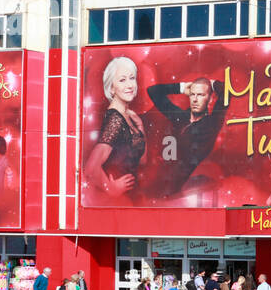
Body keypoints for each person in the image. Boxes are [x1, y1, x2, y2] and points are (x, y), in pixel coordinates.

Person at [146, 76, 230, 196]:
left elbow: (226, 92)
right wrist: (181, 88)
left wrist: (210, 83)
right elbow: (153, 91)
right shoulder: (180, 116)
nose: (195, 99)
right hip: (153, 182)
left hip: (172, 192)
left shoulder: (211, 125)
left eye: (201, 95)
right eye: (192, 94)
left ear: (210, 99)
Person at [85, 56, 146, 202]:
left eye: (132, 78)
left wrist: (141, 128)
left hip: (132, 198)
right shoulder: (115, 119)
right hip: (118, 202)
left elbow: (142, 160)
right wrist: (111, 188)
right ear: (111, 88)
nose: (130, 85)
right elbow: (90, 168)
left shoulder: (129, 118)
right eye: (122, 80)